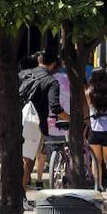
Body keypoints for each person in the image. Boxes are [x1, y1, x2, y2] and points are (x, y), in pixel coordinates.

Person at [20, 50, 65, 205]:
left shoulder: (24, 74)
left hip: (17, 119)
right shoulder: (51, 81)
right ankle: (20, 196)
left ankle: (15, 194)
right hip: (34, 122)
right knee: (27, 160)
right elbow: (55, 107)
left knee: (22, 158)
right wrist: (71, 119)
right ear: (53, 64)